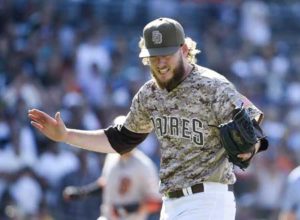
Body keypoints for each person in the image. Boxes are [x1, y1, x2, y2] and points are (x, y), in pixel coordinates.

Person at [28, 17, 268, 220]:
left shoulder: (213, 85)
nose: (161, 63)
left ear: (184, 50)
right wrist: (67, 135)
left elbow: (252, 126)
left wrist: (252, 147)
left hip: (209, 200)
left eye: (166, 54)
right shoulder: (150, 94)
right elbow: (121, 140)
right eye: (155, 56)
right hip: (171, 204)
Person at [62, 116, 162, 220]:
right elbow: (106, 183)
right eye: (119, 134)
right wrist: (83, 193)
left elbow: (156, 202)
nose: (122, 138)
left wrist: (126, 209)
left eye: (126, 134)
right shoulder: (111, 157)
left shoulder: (144, 165)